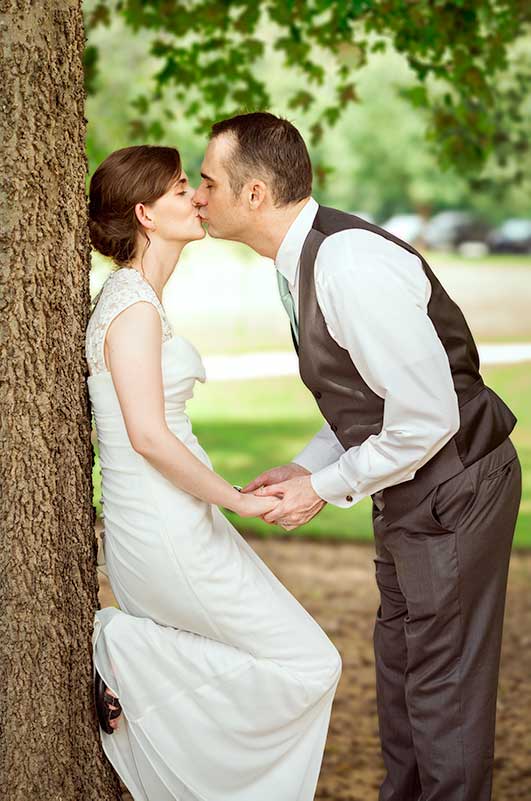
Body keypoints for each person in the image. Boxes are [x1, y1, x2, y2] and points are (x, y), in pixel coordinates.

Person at [192, 112, 523, 801]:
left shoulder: (347, 263)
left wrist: (324, 486)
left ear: (253, 195)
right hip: (409, 479)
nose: (197, 195)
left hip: (452, 480)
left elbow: (426, 415)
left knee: (444, 688)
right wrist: (309, 465)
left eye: (207, 181)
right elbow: (368, 397)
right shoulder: (301, 258)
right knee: (403, 670)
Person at [87, 144, 342, 801]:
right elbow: (147, 435)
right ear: (145, 213)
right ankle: (118, 643)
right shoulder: (133, 307)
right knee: (309, 663)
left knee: (302, 662)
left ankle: (131, 657)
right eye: (180, 189)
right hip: (164, 526)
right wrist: (233, 498)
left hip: (178, 519)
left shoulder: (141, 299)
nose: (197, 198)